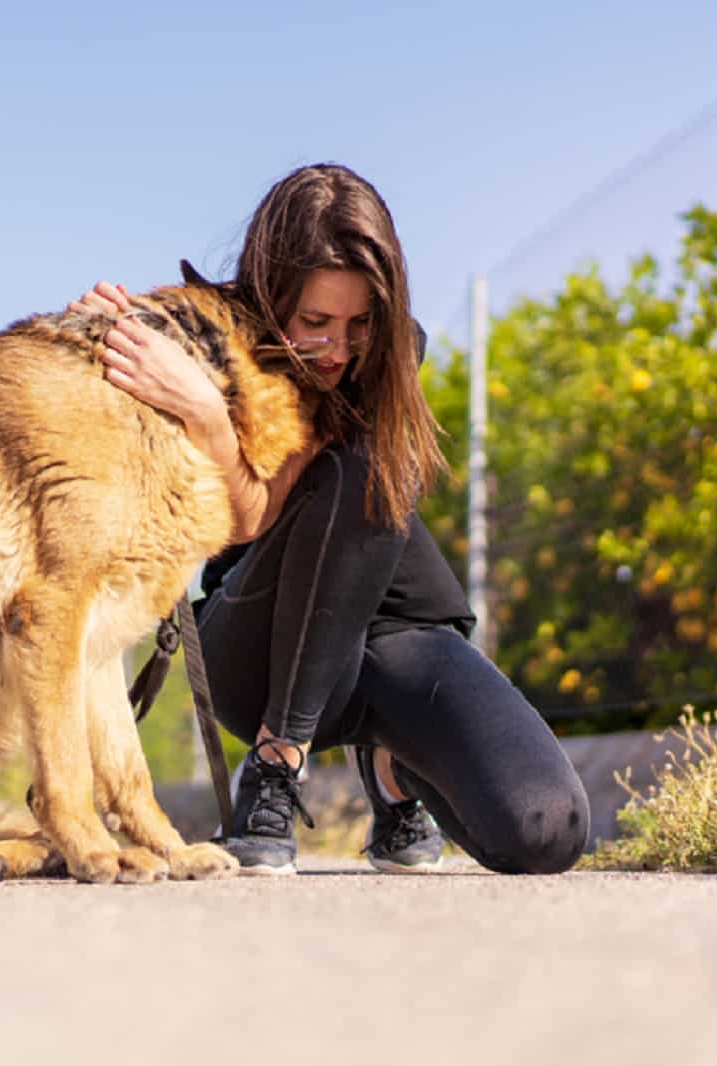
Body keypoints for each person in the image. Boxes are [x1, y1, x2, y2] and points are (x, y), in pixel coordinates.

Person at [70, 163, 589, 876]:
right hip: (257, 650)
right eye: (314, 323)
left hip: (395, 636)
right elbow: (246, 522)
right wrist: (105, 333)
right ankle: (276, 768)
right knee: (354, 470)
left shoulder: (389, 355)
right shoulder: (210, 341)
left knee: (547, 832)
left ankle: (391, 774)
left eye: (358, 324)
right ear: (269, 295)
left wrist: (208, 420)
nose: (339, 350)